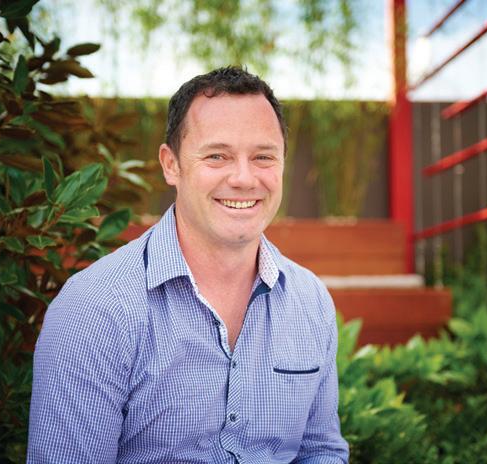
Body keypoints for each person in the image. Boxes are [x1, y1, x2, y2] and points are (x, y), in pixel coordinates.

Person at [28, 66, 349, 463]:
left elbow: (321, 451)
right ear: (171, 164)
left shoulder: (310, 300)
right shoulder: (95, 309)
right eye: (217, 156)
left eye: (263, 157)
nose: (244, 178)